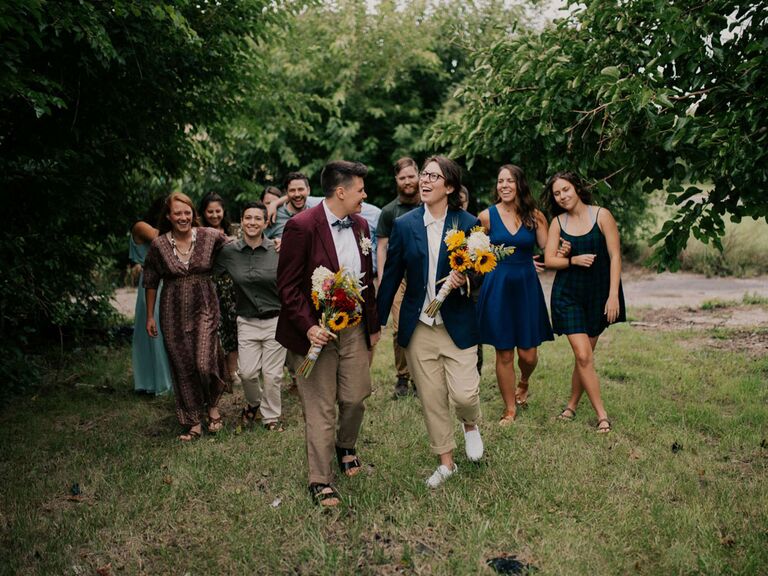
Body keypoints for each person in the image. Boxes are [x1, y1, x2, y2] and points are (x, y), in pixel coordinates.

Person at [276, 160, 380, 507]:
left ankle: (346, 445)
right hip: (315, 333)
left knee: (355, 397)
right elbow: (288, 287)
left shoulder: (363, 226)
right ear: (341, 191)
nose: (364, 195)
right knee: (320, 408)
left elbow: (368, 281)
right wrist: (308, 327)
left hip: (353, 329)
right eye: (360, 189)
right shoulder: (301, 226)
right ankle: (320, 480)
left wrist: (373, 327)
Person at [377, 156, 483, 489]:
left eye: (433, 176)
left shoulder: (467, 223)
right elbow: (392, 275)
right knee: (432, 398)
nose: (424, 180)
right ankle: (446, 462)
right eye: (424, 174)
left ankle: (470, 424)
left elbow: (482, 273)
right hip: (419, 325)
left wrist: (463, 278)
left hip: (458, 323)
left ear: (449, 187)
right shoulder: (405, 224)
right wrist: (376, 323)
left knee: (465, 395)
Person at [543, 171, 626, 433]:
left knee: (585, 356)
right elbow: (549, 260)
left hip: (599, 292)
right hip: (568, 294)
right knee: (582, 354)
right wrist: (572, 260)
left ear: (577, 188)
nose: (562, 196)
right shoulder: (557, 222)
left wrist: (613, 295)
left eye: (565, 190)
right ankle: (602, 416)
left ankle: (571, 405)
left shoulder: (602, 215)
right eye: (557, 193)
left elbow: (615, 257)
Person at [143, 192, 230, 441]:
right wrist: (150, 316)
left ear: (194, 214)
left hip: (204, 303)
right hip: (171, 308)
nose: (183, 217)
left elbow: (237, 247)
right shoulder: (159, 245)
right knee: (183, 365)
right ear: (169, 217)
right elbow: (150, 280)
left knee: (204, 362)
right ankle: (193, 420)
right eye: (177, 213)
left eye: (187, 212)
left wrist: (271, 244)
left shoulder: (210, 236)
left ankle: (212, 404)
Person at [476, 165, 555, 425]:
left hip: (525, 287)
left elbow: (548, 248)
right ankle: (509, 409)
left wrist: (565, 245)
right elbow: (475, 252)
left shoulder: (535, 216)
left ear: (520, 184)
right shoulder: (486, 217)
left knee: (528, 354)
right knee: (504, 353)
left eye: (510, 180)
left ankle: (524, 381)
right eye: (500, 181)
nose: (504, 185)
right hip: (498, 286)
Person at [215, 202, 286, 431]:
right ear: (241, 221)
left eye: (258, 218)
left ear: (266, 223)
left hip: (276, 320)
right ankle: (254, 403)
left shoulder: (278, 250)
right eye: (248, 218)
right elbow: (207, 272)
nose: (252, 222)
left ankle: (271, 418)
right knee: (246, 373)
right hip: (245, 320)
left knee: (273, 375)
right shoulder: (229, 252)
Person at [377, 157, 420, 398]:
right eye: (402, 178)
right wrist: (385, 281)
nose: (407, 182)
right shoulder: (389, 211)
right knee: (399, 330)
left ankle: (421, 377)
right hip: (399, 278)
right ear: (396, 180)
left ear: (418, 175)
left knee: (422, 328)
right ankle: (403, 378)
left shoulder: (428, 204)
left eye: (411, 176)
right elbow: (382, 247)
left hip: (424, 276)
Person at [129, 197, 173, 396]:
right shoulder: (141, 226)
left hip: (171, 283)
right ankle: (155, 383)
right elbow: (161, 240)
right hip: (151, 284)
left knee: (171, 334)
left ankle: (173, 381)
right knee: (153, 334)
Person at [199, 192, 239, 384]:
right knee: (213, 328)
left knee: (232, 327)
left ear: (223, 211)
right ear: (203, 213)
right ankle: (216, 372)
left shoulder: (234, 230)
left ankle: (233, 371)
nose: (214, 215)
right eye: (210, 212)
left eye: (218, 211)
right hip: (209, 286)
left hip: (231, 287)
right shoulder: (198, 233)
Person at [264, 172, 311, 239]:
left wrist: (275, 203)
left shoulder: (316, 207)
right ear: (286, 193)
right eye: (292, 190)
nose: (297, 194)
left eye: (301, 189)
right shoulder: (274, 216)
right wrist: (273, 244)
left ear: (308, 190)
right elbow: (257, 241)